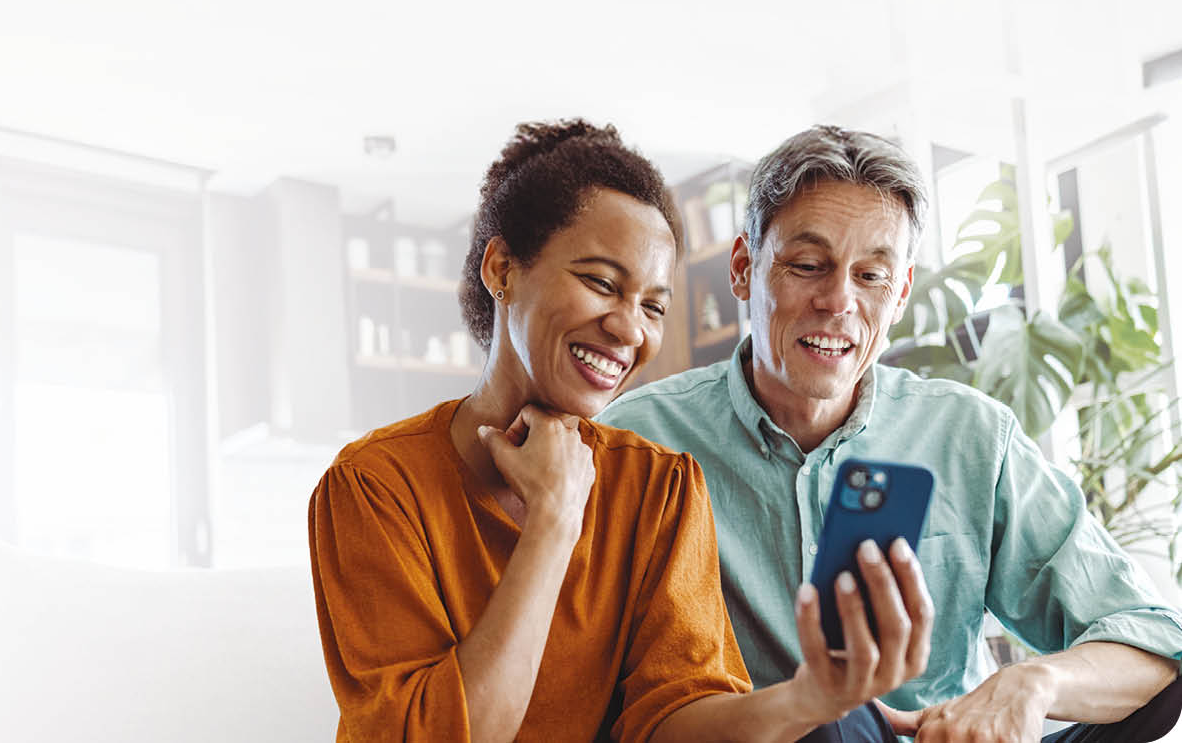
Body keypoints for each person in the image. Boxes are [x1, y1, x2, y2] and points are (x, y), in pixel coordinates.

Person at [308, 119, 935, 743]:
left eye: (653, 306)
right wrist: (553, 523)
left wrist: (809, 700)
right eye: (601, 283)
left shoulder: (659, 484)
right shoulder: (374, 486)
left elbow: (674, 719)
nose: (630, 329)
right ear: (501, 269)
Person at [599, 124, 1182, 742]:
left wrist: (1032, 684)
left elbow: (1153, 639)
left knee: (1156, 695)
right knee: (830, 727)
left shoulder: (972, 436)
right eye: (807, 265)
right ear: (743, 268)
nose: (838, 301)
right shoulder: (640, 441)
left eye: (871, 276)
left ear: (901, 292)